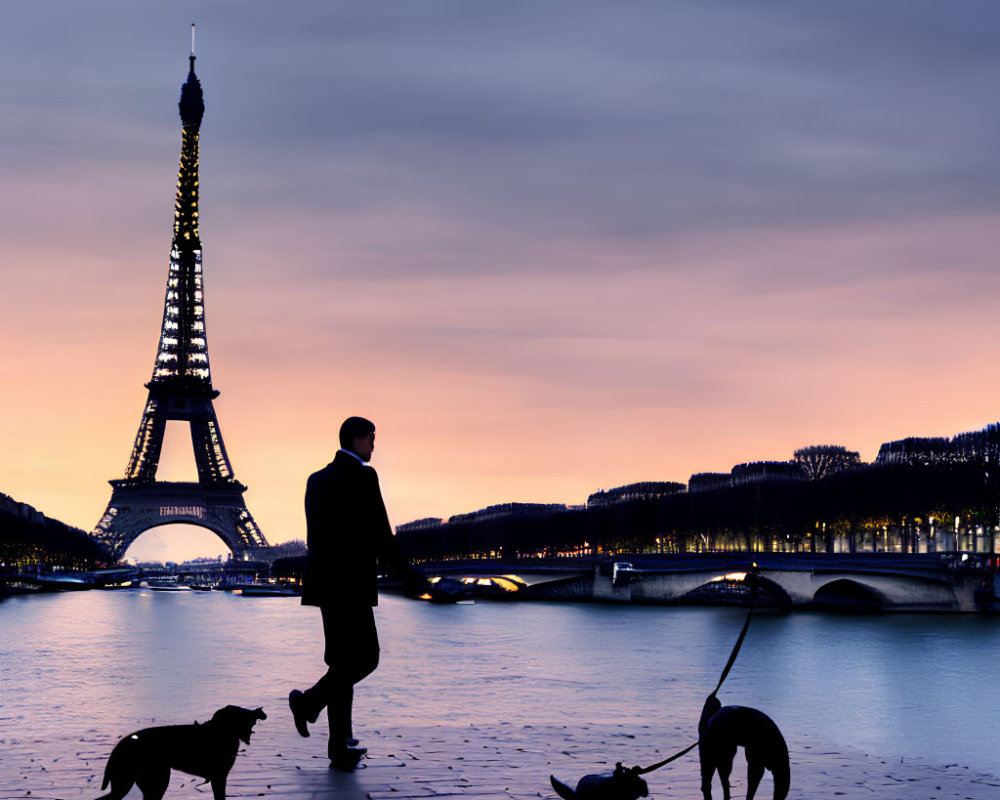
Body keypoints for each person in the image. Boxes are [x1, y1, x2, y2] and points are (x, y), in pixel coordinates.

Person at [288, 416, 427, 770]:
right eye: (371, 438)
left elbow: (316, 537)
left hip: (324, 585)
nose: (373, 445)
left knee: (342, 663)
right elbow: (382, 535)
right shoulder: (365, 477)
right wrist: (410, 578)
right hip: (352, 585)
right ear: (354, 439)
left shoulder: (315, 480)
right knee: (367, 659)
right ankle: (308, 703)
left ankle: (339, 746)